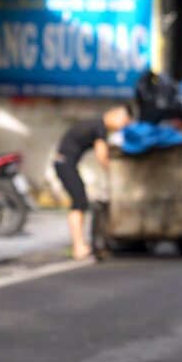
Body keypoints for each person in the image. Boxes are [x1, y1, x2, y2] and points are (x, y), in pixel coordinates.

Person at [54, 105, 132, 259]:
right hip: (65, 164)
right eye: (124, 122)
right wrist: (114, 174)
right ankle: (78, 246)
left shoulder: (96, 124)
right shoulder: (99, 127)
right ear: (116, 114)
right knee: (79, 201)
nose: (122, 127)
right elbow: (101, 155)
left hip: (66, 163)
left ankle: (80, 244)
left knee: (80, 201)